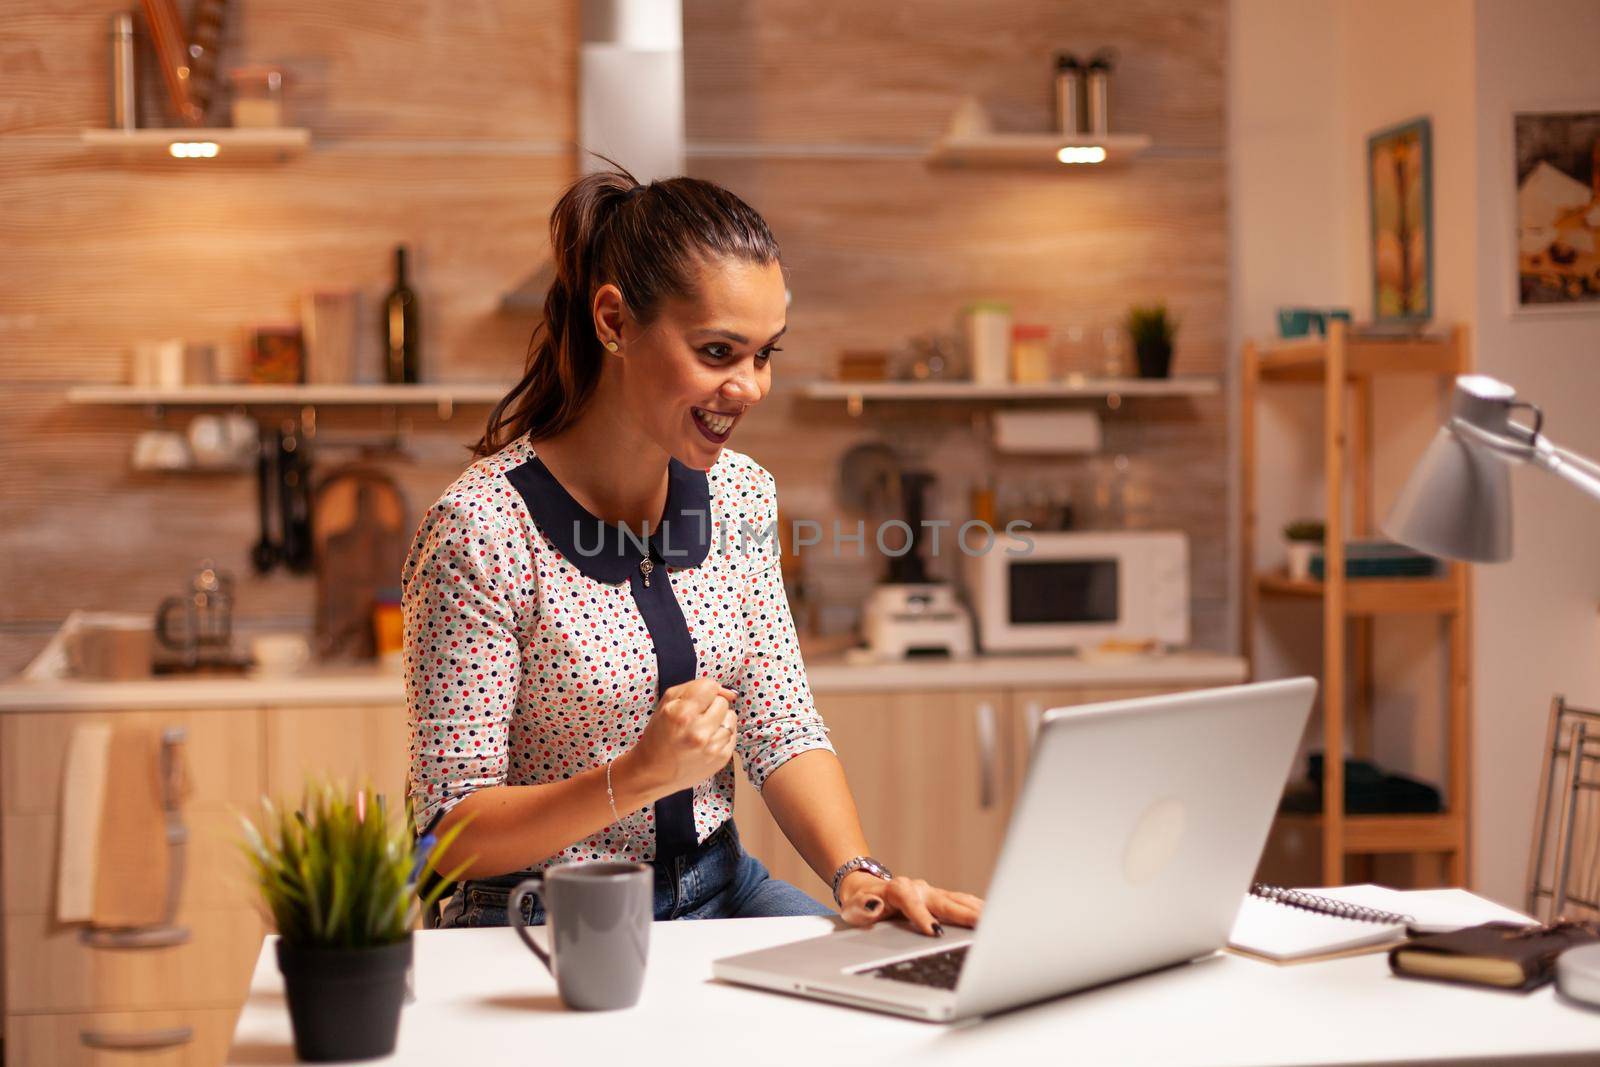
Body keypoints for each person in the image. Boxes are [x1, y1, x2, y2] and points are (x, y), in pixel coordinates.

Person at [403, 167, 983, 936]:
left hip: (720, 885)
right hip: (542, 917)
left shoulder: (742, 494)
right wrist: (636, 775)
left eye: (764, 354)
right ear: (614, 320)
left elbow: (783, 726)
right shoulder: (481, 529)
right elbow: (447, 834)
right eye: (717, 351)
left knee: (891, 997)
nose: (748, 387)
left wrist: (859, 875)